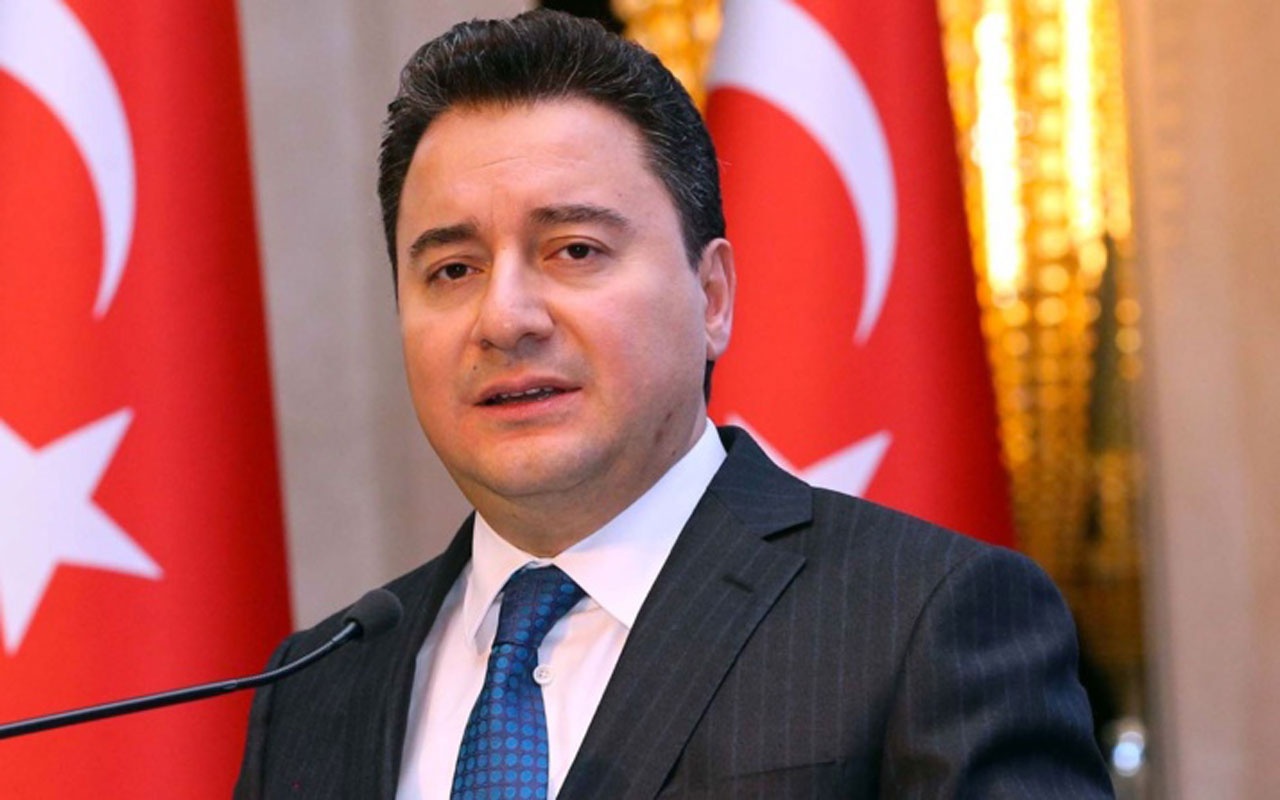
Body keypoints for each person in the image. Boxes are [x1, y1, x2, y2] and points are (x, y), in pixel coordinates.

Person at [236, 10, 1113, 799]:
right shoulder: (316, 686)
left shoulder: (922, 620)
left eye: (574, 250)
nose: (504, 319)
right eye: (453, 269)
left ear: (713, 296)